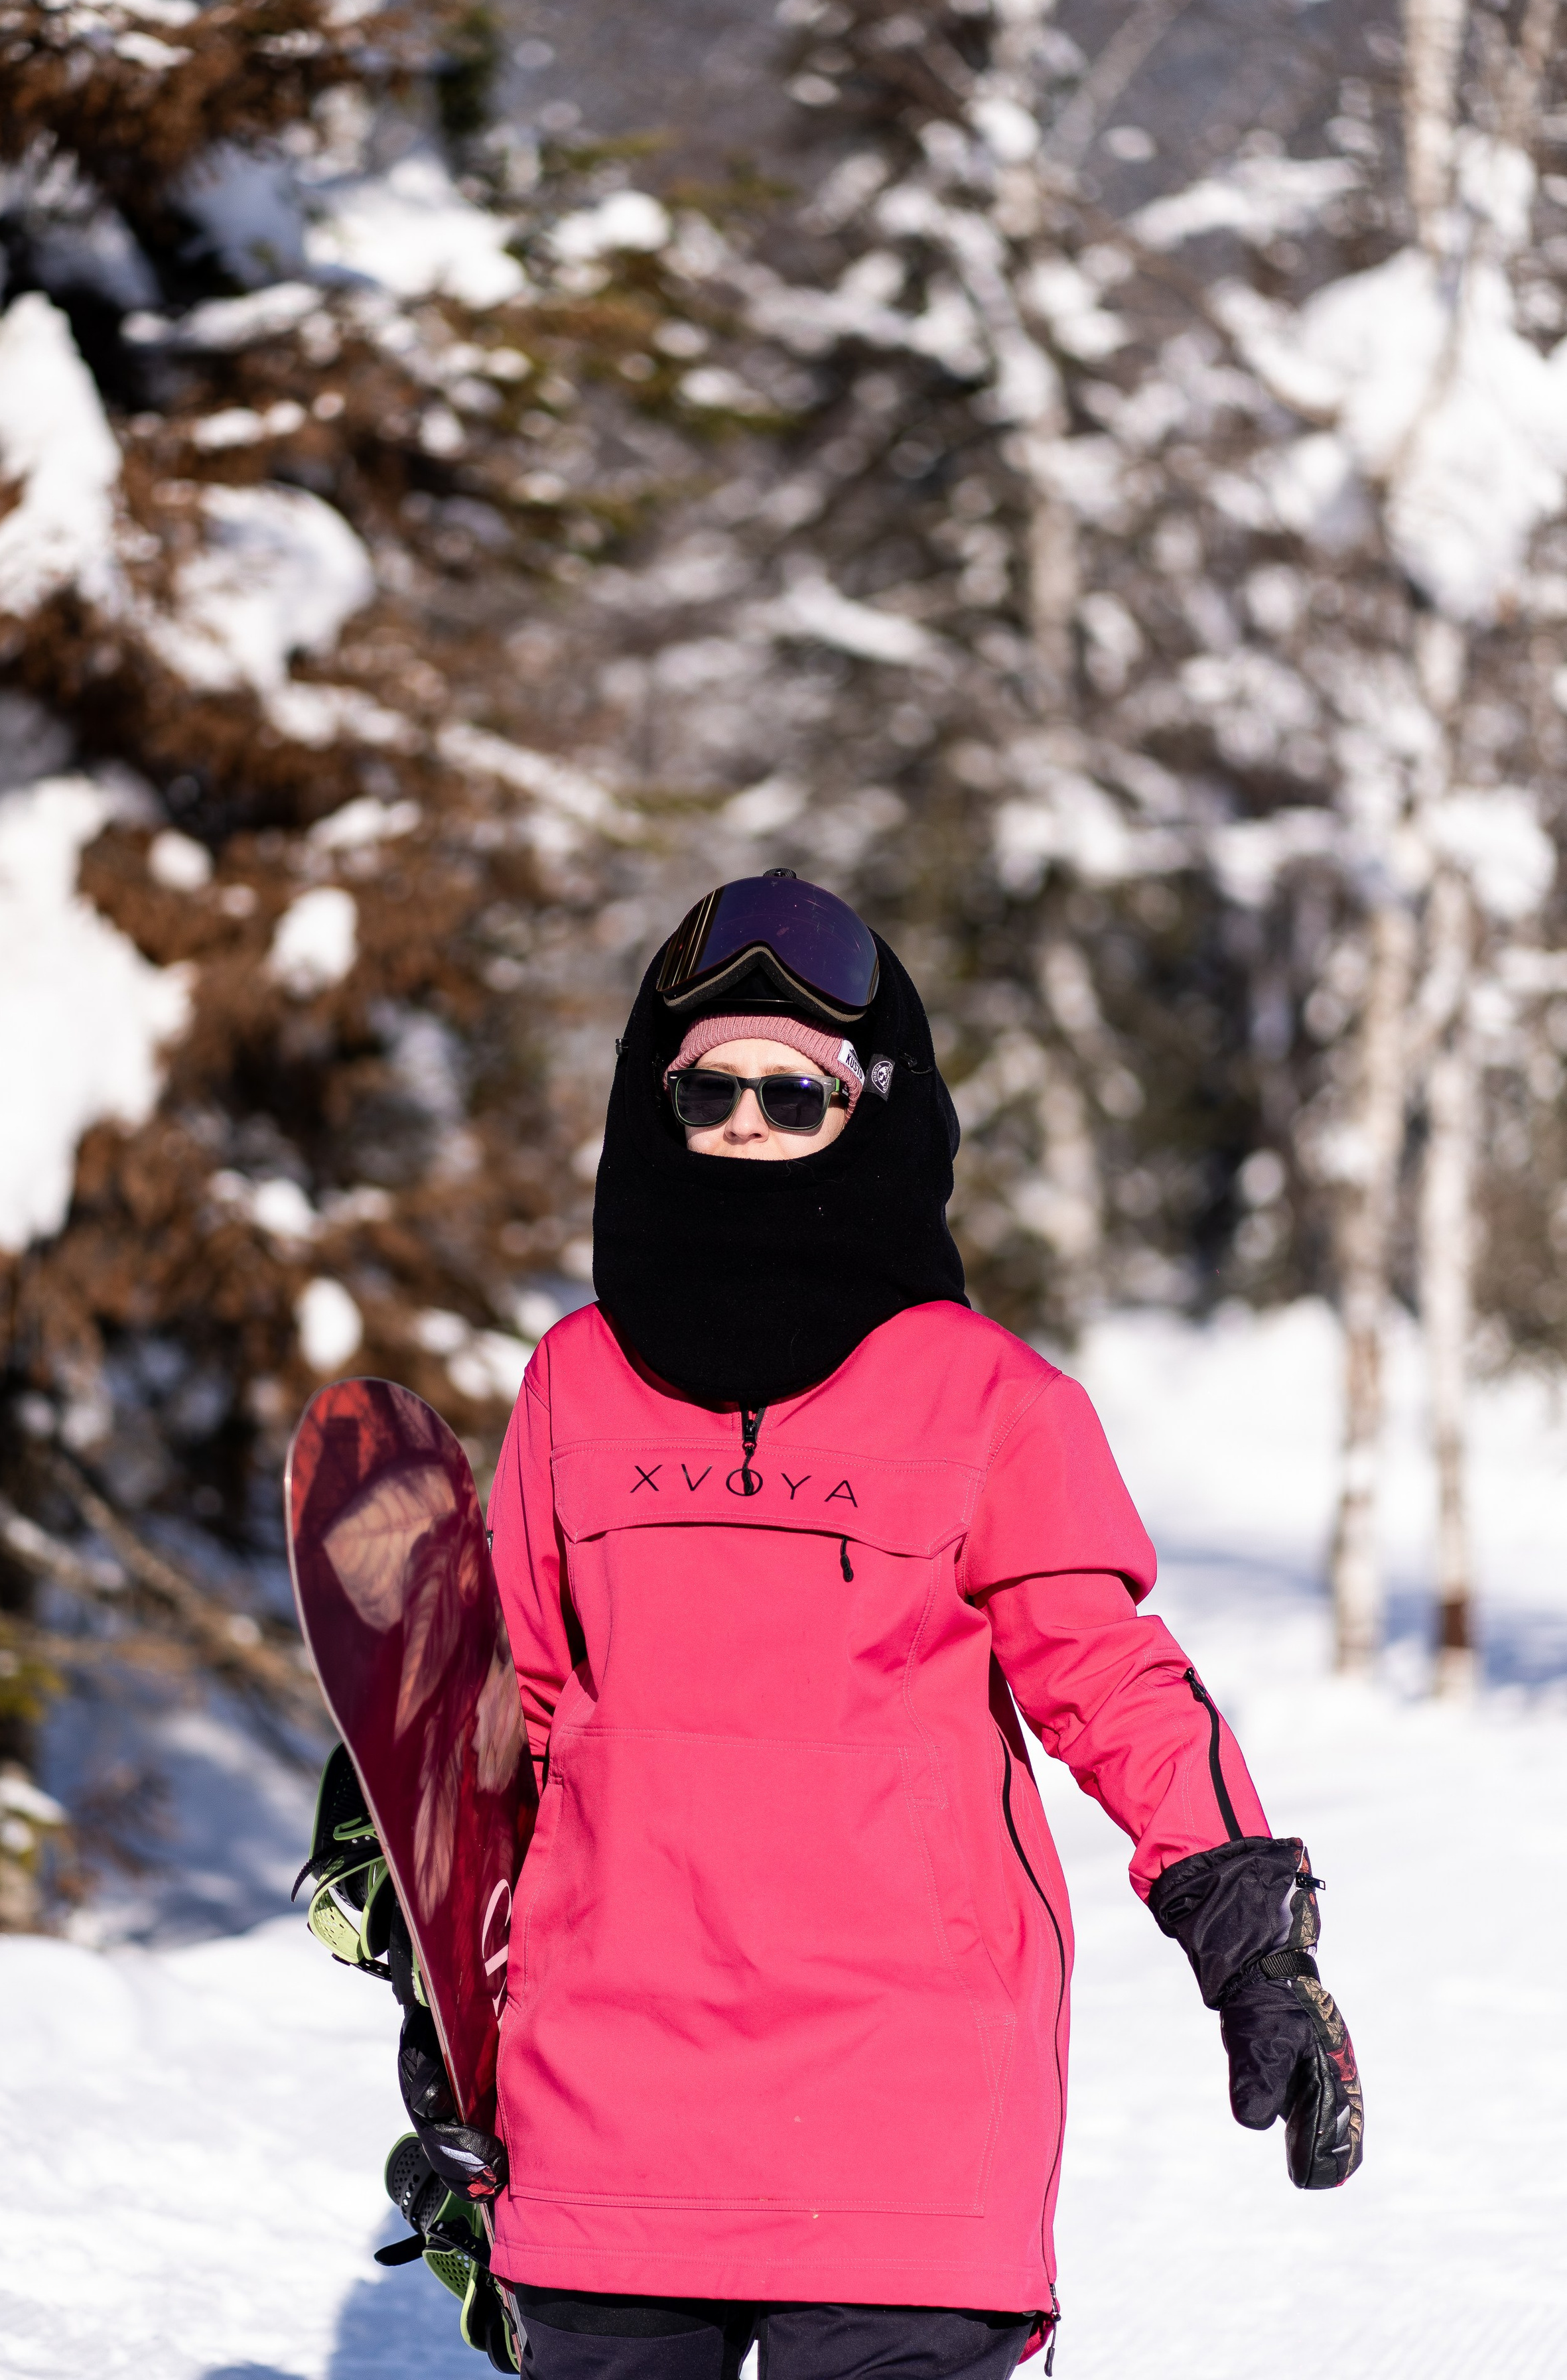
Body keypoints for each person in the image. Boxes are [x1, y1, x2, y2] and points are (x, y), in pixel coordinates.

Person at [413, 872, 1363, 2380]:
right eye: (703, 1089)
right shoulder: (571, 1388)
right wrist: (445, 1996)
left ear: (872, 1107)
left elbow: (1108, 1682)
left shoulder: (989, 1401)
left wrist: (1251, 1940)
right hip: (608, 2112)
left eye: (792, 1096)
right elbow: (517, 1725)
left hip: (902, 2119)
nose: (741, 1124)